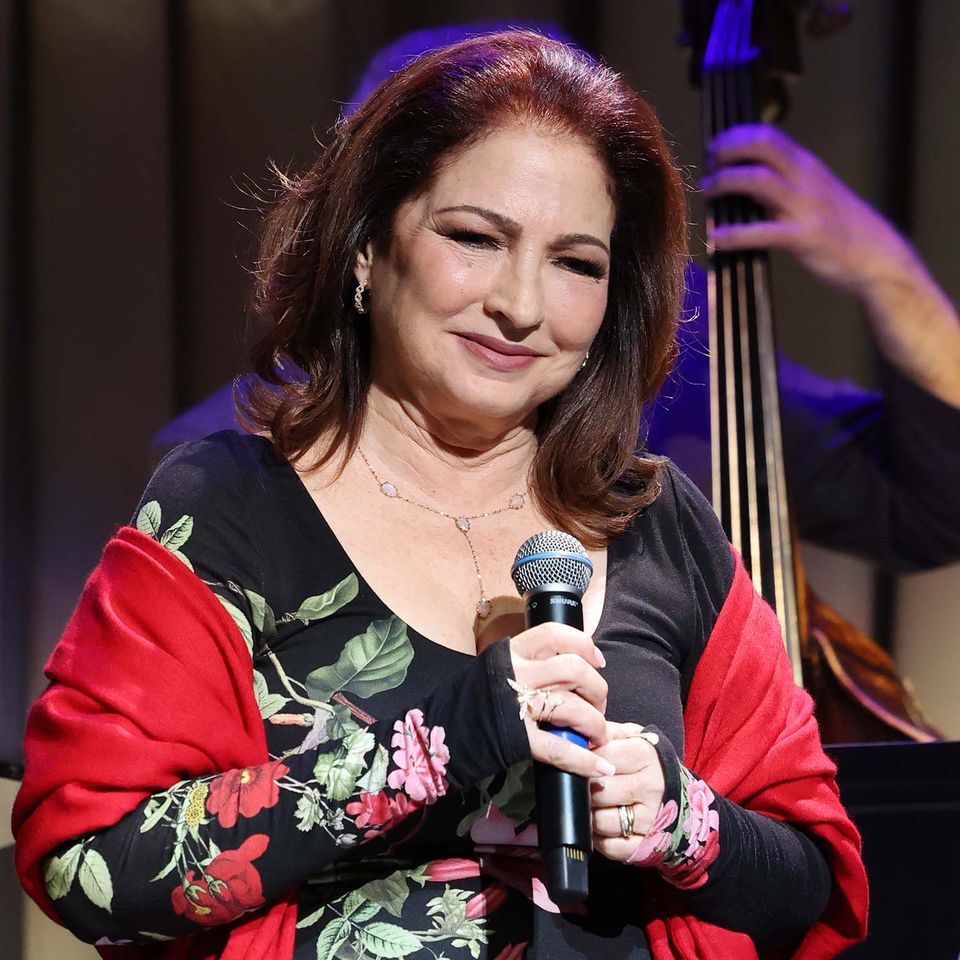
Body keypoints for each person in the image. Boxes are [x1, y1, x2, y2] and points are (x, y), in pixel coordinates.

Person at [14, 32, 867, 960]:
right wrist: (434, 745)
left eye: (576, 263)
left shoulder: (660, 525)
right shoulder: (224, 507)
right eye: (475, 238)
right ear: (366, 249)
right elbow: (87, 869)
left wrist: (683, 822)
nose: (521, 305)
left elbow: (810, 881)